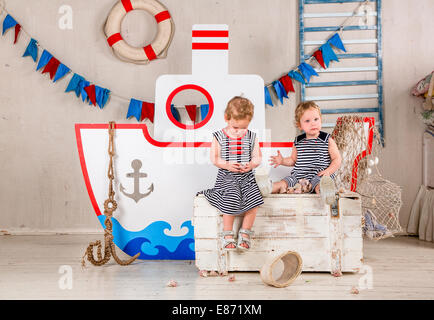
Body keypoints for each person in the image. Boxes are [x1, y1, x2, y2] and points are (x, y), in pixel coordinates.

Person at [197, 96, 263, 251]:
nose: (239, 131)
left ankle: (245, 233)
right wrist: (227, 165)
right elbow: (214, 158)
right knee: (231, 198)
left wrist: (251, 164)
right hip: (227, 177)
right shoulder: (219, 136)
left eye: (243, 128)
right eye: (235, 127)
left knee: (255, 200)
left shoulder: (252, 136)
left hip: (246, 177)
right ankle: (227, 233)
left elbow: (258, 156)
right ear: (227, 118)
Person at [257, 101, 342, 204]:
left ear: (321, 120)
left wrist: (328, 171)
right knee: (285, 182)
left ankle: (327, 193)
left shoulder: (327, 139)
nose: (313, 123)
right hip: (298, 176)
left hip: (319, 174)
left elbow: (337, 159)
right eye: (307, 121)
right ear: (299, 125)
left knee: (319, 185)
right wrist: (282, 160)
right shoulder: (298, 141)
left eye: (316, 119)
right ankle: (267, 188)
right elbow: (293, 160)